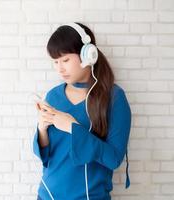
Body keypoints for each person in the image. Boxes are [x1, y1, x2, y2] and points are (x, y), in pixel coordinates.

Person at [32, 22, 132, 200]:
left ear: (88, 54)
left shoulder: (114, 98)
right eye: (55, 61)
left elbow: (114, 159)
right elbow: (47, 158)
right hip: (46, 195)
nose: (59, 68)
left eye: (65, 60)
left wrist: (72, 127)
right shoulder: (53, 96)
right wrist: (41, 129)